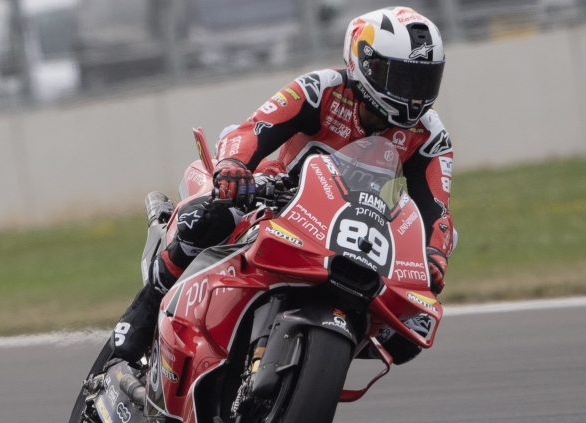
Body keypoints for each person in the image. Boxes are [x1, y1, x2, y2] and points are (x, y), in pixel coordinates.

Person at [111, 7, 455, 366]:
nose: (413, 94)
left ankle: (314, 362)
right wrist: (233, 168)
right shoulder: (321, 89)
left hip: (356, 230)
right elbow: (254, 129)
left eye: (423, 81)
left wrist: (433, 255)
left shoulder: (430, 136)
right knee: (206, 217)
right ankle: (148, 307)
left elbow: (437, 211)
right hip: (280, 200)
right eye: (401, 78)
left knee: (409, 333)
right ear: (364, 64)